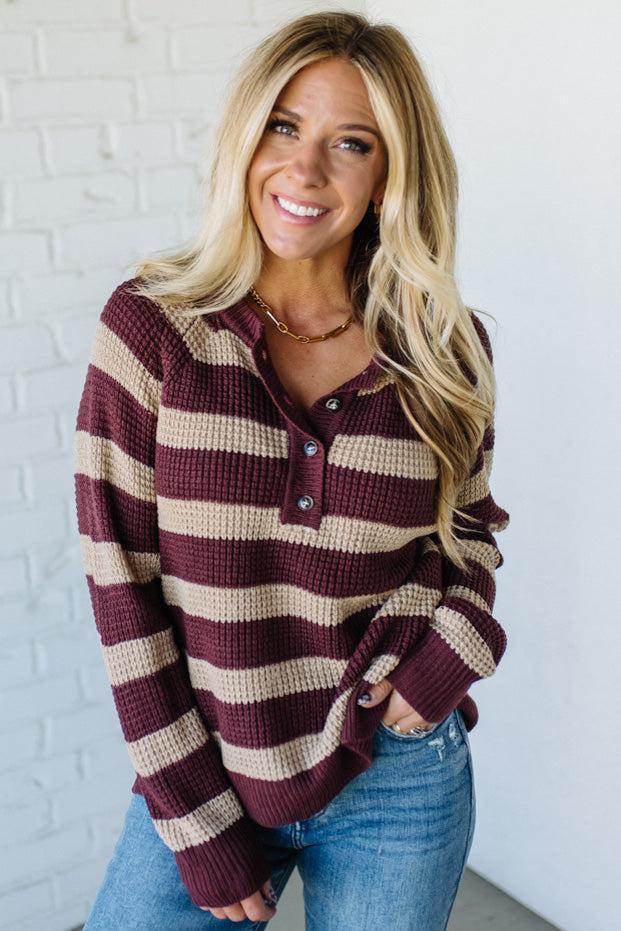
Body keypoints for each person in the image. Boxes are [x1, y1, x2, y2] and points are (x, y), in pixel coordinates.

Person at [74, 10, 510, 930]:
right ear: (246, 137)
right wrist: (194, 820)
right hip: (209, 771)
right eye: (284, 126)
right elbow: (123, 590)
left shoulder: (444, 348)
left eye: (350, 143)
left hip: (399, 776)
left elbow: (466, 530)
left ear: (392, 174)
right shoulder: (153, 333)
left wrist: (454, 648)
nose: (305, 171)